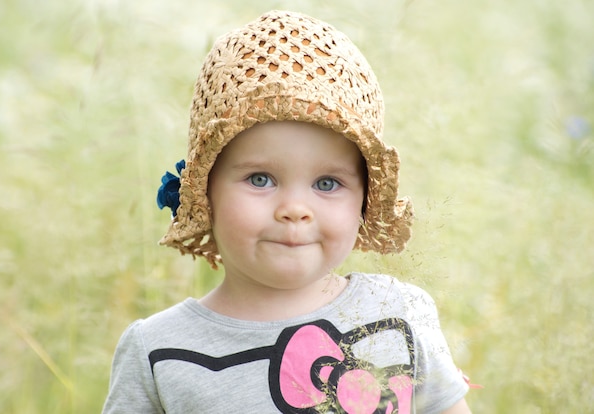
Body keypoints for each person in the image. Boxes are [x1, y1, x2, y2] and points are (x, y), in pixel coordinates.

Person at [103, 10, 472, 414]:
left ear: (364, 201)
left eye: (327, 183)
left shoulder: (399, 312)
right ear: (205, 191)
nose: (295, 210)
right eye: (260, 179)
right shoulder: (160, 351)